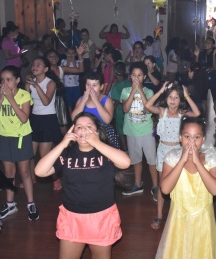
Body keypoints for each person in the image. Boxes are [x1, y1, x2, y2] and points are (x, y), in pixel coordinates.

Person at [34, 112, 130, 259]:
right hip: (72, 218)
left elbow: (125, 162)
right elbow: (40, 171)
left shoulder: (105, 152)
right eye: (79, 127)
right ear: (73, 132)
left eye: (89, 126)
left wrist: (97, 142)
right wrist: (62, 144)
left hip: (101, 218)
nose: (83, 130)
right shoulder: (67, 154)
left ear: (97, 131)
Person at [155, 117, 216, 258]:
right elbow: (165, 189)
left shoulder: (211, 158)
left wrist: (198, 163)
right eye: (187, 137)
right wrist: (182, 160)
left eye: (196, 137)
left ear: (203, 139)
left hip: (203, 223)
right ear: (180, 138)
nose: (191, 142)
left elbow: (215, 190)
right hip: (178, 222)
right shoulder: (172, 158)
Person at [145, 82, 200, 230]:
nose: (173, 100)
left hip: (178, 152)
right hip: (163, 150)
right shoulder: (162, 112)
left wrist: (187, 95)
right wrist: (160, 91)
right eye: (170, 97)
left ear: (180, 100)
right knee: (163, 186)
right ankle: (159, 215)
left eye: (176, 97)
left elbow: (197, 113)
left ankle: (178, 215)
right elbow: (148, 106)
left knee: (179, 184)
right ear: (166, 98)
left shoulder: (182, 115)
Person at [0, 65, 39, 221]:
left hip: (21, 136)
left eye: (9, 79)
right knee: (9, 173)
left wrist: (10, 99)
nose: (5, 83)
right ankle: (10, 204)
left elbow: (24, 118)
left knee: (24, 173)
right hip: (4, 136)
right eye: (2, 80)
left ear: (17, 80)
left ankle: (31, 203)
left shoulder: (24, 95)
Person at [120, 62, 158, 196]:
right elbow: (125, 109)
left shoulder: (149, 91)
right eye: (134, 75)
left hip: (146, 131)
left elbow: (149, 109)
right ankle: (138, 184)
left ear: (144, 77)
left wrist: (140, 90)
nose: (137, 78)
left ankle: (155, 186)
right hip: (131, 131)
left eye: (140, 75)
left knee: (152, 160)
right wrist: (133, 92)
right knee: (136, 160)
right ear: (130, 76)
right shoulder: (125, 91)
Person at [25, 57, 63, 191]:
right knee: (28, 154)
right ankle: (30, 178)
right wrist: (29, 85)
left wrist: (36, 86)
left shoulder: (50, 83)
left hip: (48, 120)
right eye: (33, 64)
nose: (34, 67)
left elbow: (46, 101)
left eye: (38, 65)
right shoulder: (30, 83)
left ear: (45, 69)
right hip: (35, 119)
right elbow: (26, 101)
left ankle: (56, 178)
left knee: (44, 156)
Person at [71, 72, 119, 149]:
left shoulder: (106, 100)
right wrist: (83, 101)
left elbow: (107, 120)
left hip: (103, 135)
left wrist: (96, 101)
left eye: (94, 85)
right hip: (85, 134)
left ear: (101, 87)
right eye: (88, 85)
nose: (90, 88)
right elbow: (74, 119)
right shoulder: (81, 99)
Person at [46, 47, 85, 135]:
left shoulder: (61, 68)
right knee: (50, 123)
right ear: (46, 58)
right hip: (47, 98)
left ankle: (66, 144)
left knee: (63, 124)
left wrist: (79, 56)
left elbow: (81, 70)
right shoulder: (44, 70)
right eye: (50, 56)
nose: (53, 57)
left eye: (55, 56)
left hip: (59, 98)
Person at [194, 37, 216, 129]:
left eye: (209, 42)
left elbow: (214, 67)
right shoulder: (202, 53)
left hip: (213, 78)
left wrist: (213, 55)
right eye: (206, 42)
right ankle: (203, 118)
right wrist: (197, 56)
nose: (207, 44)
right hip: (203, 78)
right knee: (203, 100)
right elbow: (197, 66)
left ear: (213, 44)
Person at [110, 62, 131, 151]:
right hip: (130, 110)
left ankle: (125, 150)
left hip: (119, 111)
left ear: (115, 73)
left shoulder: (116, 86)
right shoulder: (129, 83)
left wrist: (111, 111)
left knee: (120, 131)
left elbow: (117, 100)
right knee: (129, 129)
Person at [61, 47, 84, 115]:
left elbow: (78, 71)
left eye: (72, 53)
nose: (70, 55)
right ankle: (71, 115)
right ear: (66, 54)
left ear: (75, 54)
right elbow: (63, 71)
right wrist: (68, 62)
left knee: (77, 101)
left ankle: (77, 113)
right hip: (66, 85)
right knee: (69, 102)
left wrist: (73, 61)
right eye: (69, 53)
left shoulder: (78, 62)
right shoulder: (63, 61)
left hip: (76, 84)